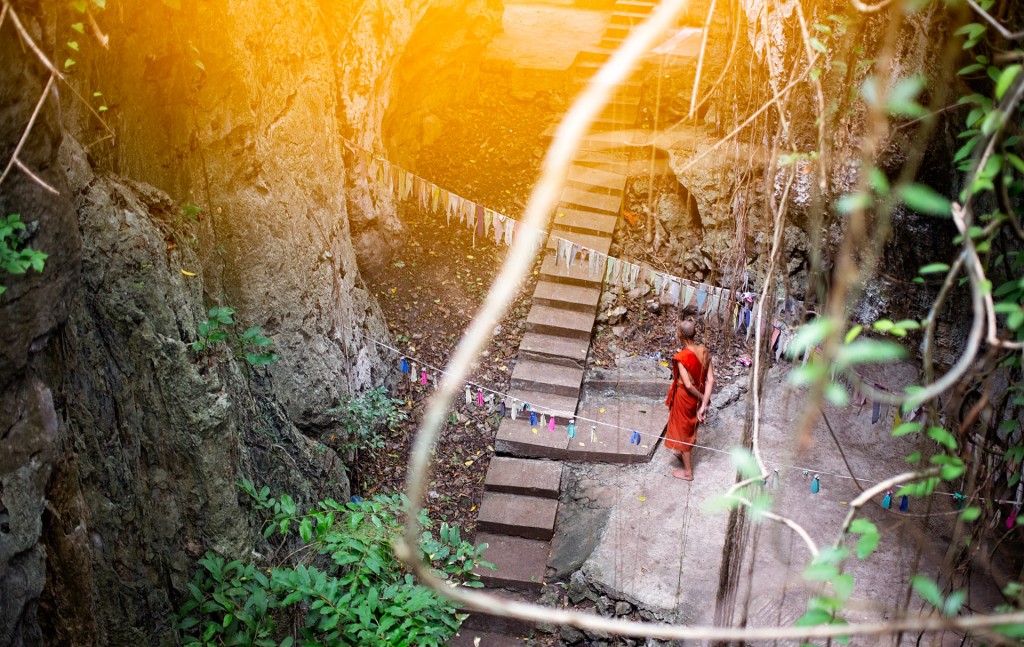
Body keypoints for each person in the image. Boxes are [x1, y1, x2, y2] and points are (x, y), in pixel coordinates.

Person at [664, 320, 715, 481]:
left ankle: (688, 472)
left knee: (684, 432)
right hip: (699, 397)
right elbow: (710, 380)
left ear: (680, 335)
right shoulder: (704, 351)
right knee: (689, 428)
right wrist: (704, 402)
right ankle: (680, 452)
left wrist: (702, 399)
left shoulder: (682, 357)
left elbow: (687, 385)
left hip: (685, 398)